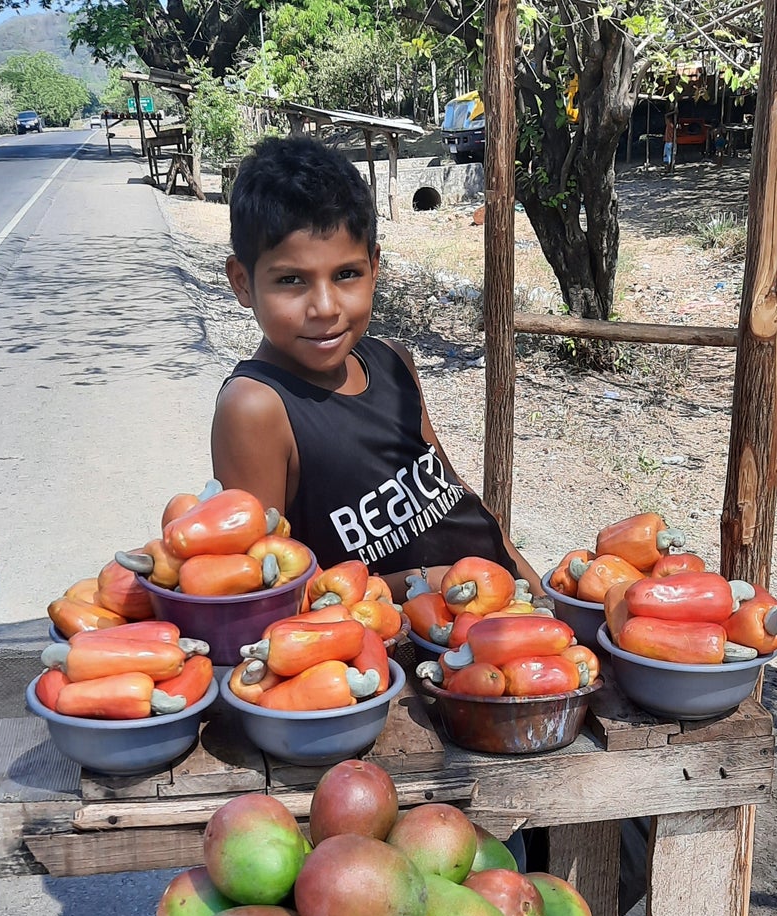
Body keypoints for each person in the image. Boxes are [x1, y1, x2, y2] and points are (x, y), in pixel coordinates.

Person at [210, 135, 540, 593]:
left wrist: (536, 588)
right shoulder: (256, 408)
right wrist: (426, 585)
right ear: (243, 283)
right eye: (290, 280)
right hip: (399, 652)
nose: (325, 307)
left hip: (502, 614)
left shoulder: (392, 361)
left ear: (374, 267)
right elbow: (265, 591)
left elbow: (453, 493)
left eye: (346, 274)